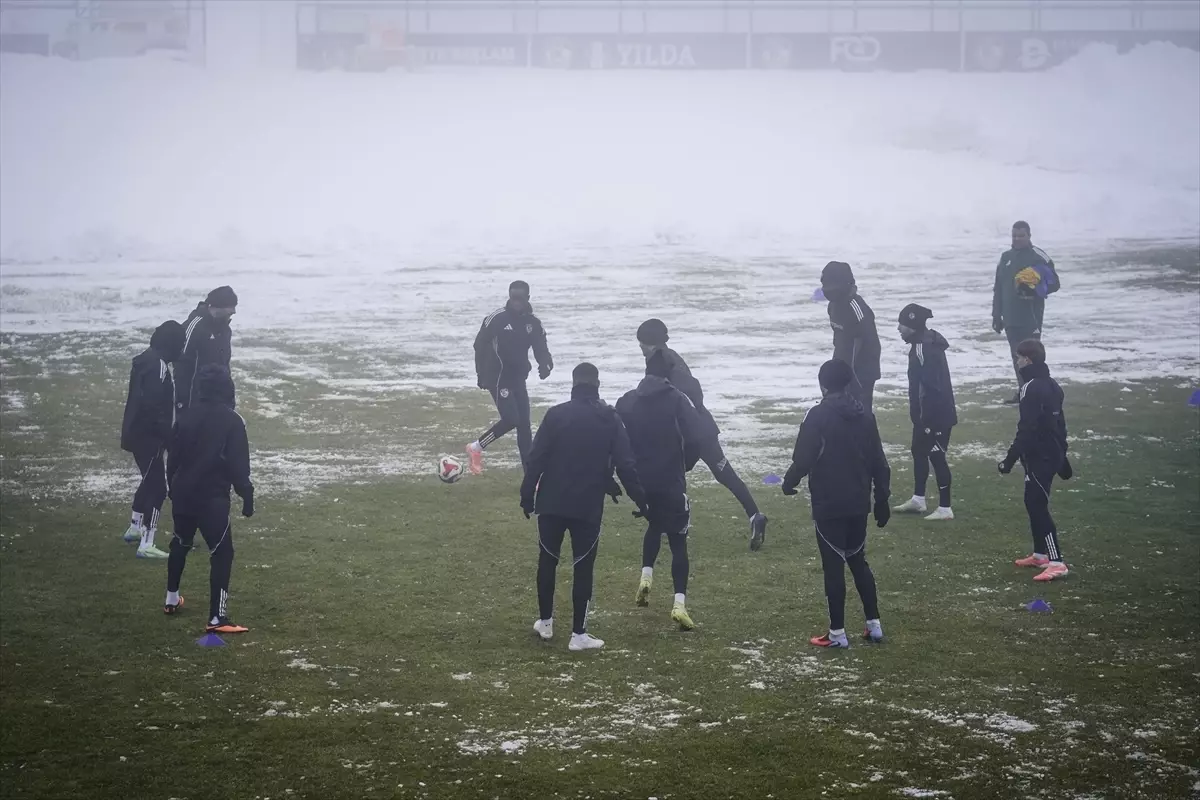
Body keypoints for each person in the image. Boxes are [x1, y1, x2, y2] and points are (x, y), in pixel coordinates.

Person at [520, 362, 645, 652]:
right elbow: (626, 464)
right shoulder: (609, 418)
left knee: (547, 560)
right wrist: (641, 500)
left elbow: (536, 458)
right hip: (587, 506)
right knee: (583, 566)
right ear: (597, 385)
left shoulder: (556, 415)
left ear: (573, 385)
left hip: (551, 502)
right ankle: (579, 635)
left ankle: (546, 623)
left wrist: (528, 495)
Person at [781, 359, 891, 649]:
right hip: (858, 502)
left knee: (833, 566)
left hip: (829, 502)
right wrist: (882, 500)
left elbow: (803, 457)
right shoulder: (865, 415)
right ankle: (874, 626)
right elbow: (880, 462)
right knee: (858, 561)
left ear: (823, 384)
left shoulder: (817, 415)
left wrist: (789, 482)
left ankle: (838, 634)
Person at [635, 319, 768, 550]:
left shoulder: (664, 360)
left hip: (687, 433)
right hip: (703, 429)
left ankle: (676, 526)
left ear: (651, 343)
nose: (640, 349)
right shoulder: (670, 356)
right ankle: (755, 515)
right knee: (724, 474)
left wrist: (683, 416)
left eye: (641, 344)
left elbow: (689, 391)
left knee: (672, 475)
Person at [616, 350, 708, 631]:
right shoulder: (677, 399)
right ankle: (679, 604)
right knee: (679, 541)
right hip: (670, 480)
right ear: (668, 374)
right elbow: (697, 438)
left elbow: (617, 440)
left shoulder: (627, 400)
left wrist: (629, 476)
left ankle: (646, 577)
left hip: (642, 483)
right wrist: (685, 466)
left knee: (655, 524)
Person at [165, 364, 254, 634]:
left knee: (180, 541)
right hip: (211, 498)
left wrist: (173, 489)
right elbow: (239, 467)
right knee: (221, 552)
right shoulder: (233, 421)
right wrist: (247, 497)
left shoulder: (185, 417)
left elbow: (173, 460)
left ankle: (171, 598)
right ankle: (217, 618)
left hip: (182, 493)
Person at [998, 339, 1073, 583]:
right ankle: (1040, 555)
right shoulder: (1052, 385)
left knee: (1037, 505)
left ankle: (1056, 561)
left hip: (1040, 456)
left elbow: (1027, 429)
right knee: (1032, 502)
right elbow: (1059, 425)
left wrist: (1008, 460)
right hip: (1050, 454)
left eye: (1019, 358)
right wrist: (1062, 454)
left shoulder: (1030, 388)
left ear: (1027, 360)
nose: (1017, 361)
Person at [467, 280, 553, 475]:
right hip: (497, 377)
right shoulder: (496, 319)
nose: (516, 302)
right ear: (509, 296)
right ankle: (476, 447)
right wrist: (480, 373)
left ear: (527, 299)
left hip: (518, 378)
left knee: (524, 428)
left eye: (520, 299)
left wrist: (546, 365)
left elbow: (541, 347)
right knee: (511, 419)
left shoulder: (533, 323)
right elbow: (478, 345)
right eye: (513, 298)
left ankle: (531, 475)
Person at [120, 320, 186, 558]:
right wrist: (167, 437)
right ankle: (147, 543)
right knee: (158, 489)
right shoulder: (158, 367)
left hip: (137, 435)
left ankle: (135, 528)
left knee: (149, 479)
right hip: (149, 438)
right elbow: (154, 409)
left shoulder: (145, 361)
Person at [893, 304, 958, 521]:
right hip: (926, 414)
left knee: (936, 456)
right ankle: (918, 499)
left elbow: (931, 387)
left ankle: (945, 507)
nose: (899, 328)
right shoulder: (925, 343)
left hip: (935, 415)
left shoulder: (923, 348)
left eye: (901, 323)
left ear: (912, 324)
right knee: (918, 451)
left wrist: (927, 418)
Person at [992, 221, 1060, 404]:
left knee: (1033, 357)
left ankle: (1038, 392)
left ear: (1029, 236)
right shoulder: (1005, 257)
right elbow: (998, 288)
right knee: (1017, 357)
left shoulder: (1038, 256)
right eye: (1014, 235)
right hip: (1010, 318)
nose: (1017, 239)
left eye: (1021, 235)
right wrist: (996, 315)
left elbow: (1055, 283)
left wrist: (1035, 288)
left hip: (1031, 318)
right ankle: (1023, 391)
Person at [819, 261, 881, 412]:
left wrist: (851, 379)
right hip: (843, 364)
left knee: (861, 412)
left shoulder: (858, 309)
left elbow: (865, 345)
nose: (827, 290)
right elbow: (839, 342)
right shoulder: (833, 306)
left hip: (862, 370)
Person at [176, 286, 238, 412]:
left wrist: (228, 396)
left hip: (219, 400)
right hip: (195, 400)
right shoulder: (194, 327)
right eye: (231, 307)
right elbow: (181, 366)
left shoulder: (225, 330)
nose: (234, 311)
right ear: (218, 307)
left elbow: (225, 365)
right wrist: (183, 403)